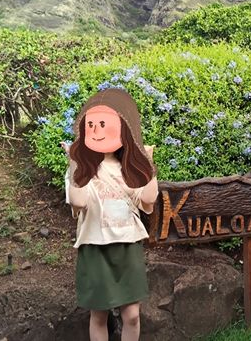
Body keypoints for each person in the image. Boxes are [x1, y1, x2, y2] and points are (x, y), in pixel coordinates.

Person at [64, 88, 158, 341]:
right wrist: (73, 161)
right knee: (99, 316)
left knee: (133, 316)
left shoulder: (130, 167)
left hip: (128, 247)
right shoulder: (82, 169)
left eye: (104, 124)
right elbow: (78, 201)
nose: (97, 130)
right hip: (95, 248)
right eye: (91, 125)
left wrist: (149, 164)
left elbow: (148, 199)